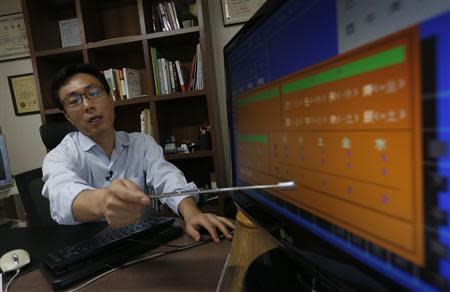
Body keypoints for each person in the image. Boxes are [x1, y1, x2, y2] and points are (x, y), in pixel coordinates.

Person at [42, 64, 234, 243]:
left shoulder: (141, 143)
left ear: (111, 99)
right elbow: (62, 194)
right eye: (73, 101)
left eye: (93, 93)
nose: (87, 105)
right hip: (89, 252)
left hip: (141, 245)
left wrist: (192, 213)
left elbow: (167, 177)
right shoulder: (59, 156)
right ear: (67, 116)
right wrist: (104, 202)